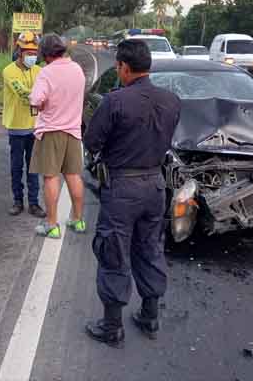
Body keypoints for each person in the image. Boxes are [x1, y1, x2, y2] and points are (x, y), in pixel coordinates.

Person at [81, 39, 182, 347]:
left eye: (119, 68)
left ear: (124, 67)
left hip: (122, 187)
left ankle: (112, 326)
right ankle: (150, 316)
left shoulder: (115, 102)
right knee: (150, 248)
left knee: (113, 250)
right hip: (155, 186)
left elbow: (92, 142)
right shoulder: (172, 100)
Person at [28, 34, 87, 238]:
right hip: (73, 131)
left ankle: (52, 225)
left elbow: (36, 100)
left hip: (51, 131)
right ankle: (78, 220)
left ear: (45, 53)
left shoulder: (46, 73)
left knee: (51, 177)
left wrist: (43, 103)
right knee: (73, 176)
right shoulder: (77, 69)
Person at [2, 32, 46, 218]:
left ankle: (34, 203)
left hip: (35, 127)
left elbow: (45, 92)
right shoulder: (9, 71)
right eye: (28, 52)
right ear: (19, 51)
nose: (32, 56)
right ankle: (18, 201)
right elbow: (23, 93)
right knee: (16, 166)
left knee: (33, 168)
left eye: (34, 52)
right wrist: (39, 95)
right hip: (17, 127)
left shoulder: (39, 70)